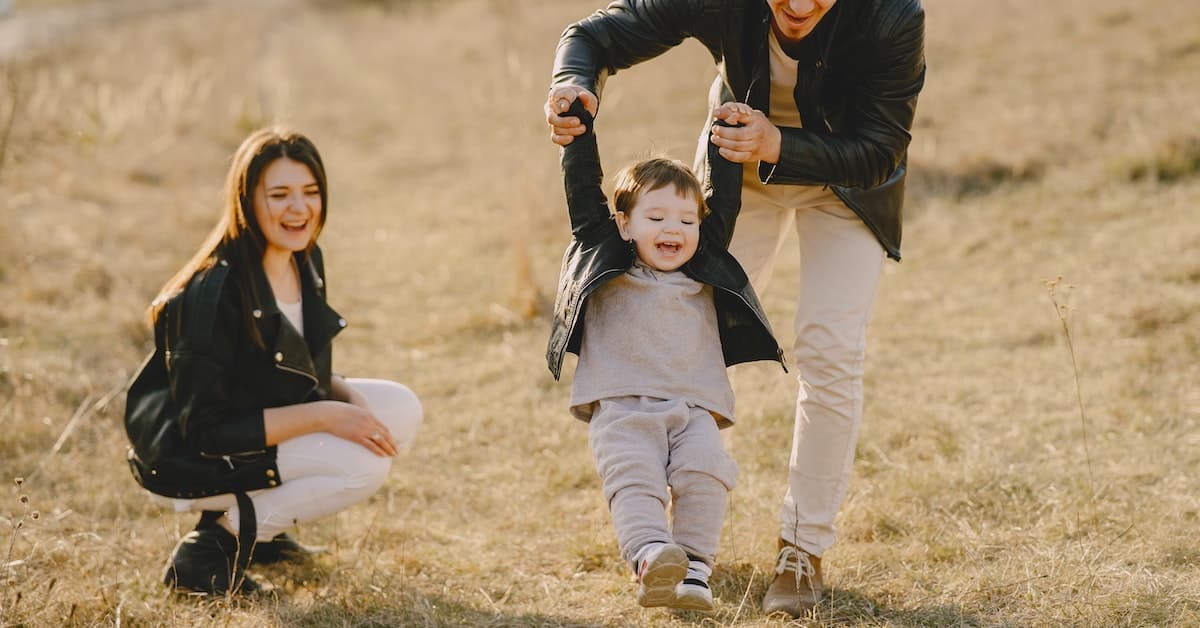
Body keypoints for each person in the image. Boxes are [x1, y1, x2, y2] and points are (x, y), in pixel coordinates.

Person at [544, 0, 926, 617]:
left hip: (848, 187)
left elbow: (881, 148)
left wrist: (779, 140)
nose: (798, 7)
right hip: (733, 182)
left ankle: (802, 549)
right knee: (681, 327)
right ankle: (664, 541)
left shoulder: (893, 15)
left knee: (830, 353)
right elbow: (594, 35)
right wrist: (572, 85)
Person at [123, 126, 423, 595]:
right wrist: (328, 414)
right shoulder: (213, 293)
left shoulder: (304, 259)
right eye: (279, 194)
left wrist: (342, 391)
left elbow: (278, 370)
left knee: (402, 408)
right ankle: (211, 550)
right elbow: (205, 429)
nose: (299, 209)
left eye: (310, 192)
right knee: (363, 466)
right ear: (247, 201)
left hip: (245, 430)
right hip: (190, 456)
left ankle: (263, 535)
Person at [547, 100, 784, 611]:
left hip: (694, 405)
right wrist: (576, 129)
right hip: (622, 405)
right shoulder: (604, 253)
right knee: (635, 479)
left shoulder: (704, 264)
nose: (672, 230)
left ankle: (695, 569)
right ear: (625, 224)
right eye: (655, 217)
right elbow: (583, 191)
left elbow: (725, 197)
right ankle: (653, 557)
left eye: (685, 219)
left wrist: (728, 126)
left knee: (705, 474)